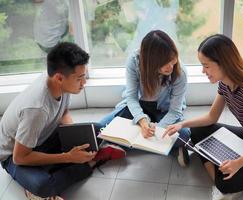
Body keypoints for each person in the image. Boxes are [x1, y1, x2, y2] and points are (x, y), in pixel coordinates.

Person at [163, 34, 243, 199]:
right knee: (196, 130)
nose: (203, 71)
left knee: (226, 182)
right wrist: (182, 124)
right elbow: (211, 117)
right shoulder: (225, 84)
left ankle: (221, 183)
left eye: (206, 66)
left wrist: (238, 163)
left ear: (223, 63)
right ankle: (221, 177)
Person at [0, 42, 126, 200]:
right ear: (59, 78)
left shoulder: (60, 83)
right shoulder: (36, 109)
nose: (84, 83)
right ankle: (89, 163)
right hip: (13, 155)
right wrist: (68, 156)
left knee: (98, 129)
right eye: (79, 78)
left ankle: (65, 164)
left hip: (42, 136)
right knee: (43, 185)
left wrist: (74, 137)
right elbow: (20, 157)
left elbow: (63, 110)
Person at [97, 30, 191, 167]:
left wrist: (158, 128)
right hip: (138, 106)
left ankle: (124, 144)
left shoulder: (180, 72)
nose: (171, 66)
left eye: (173, 59)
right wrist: (142, 121)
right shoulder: (134, 61)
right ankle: (168, 147)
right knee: (100, 128)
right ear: (150, 61)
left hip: (165, 110)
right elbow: (131, 97)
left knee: (184, 133)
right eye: (164, 63)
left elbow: (175, 111)